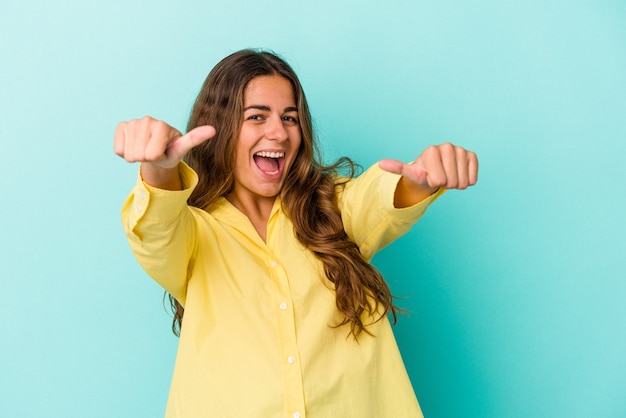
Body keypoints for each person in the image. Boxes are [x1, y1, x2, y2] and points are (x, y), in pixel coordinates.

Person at [114, 49, 478, 418]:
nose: (280, 133)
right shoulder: (192, 234)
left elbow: (379, 197)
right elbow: (156, 229)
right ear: (220, 128)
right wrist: (159, 169)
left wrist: (422, 179)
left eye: (290, 118)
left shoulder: (333, 210)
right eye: (257, 116)